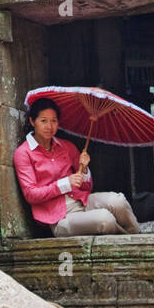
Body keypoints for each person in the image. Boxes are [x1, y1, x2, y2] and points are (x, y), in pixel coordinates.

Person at [13, 97, 143, 237]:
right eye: (43, 121)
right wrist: (65, 183)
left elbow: (87, 187)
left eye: (54, 121)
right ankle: (131, 238)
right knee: (105, 219)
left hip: (83, 201)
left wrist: (84, 169)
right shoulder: (23, 153)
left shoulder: (67, 147)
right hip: (60, 218)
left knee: (118, 201)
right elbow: (31, 195)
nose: (49, 126)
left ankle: (136, 231)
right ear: (33, 121)